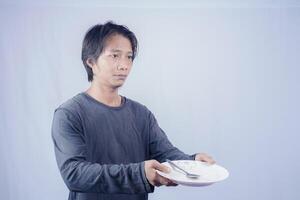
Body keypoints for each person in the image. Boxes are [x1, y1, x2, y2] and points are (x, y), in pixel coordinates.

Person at [51, 21, 215, 200]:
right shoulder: (69, 114)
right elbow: (74, 174)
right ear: (91, 61)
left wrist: (192, 161)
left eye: (129, 57)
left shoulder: (141, 114)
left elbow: (165, 153)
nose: (124, 65)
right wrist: (139, 173)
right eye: (115, 56)